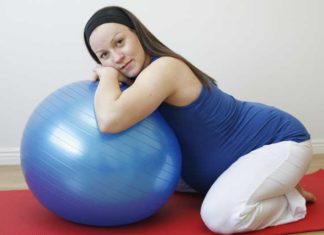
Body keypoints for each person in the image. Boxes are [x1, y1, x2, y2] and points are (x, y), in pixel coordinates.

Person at [83, 6, 316, 234]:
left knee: (220, 218)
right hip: (225, 162)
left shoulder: (164, 68)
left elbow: (109, 120)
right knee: (158, 184)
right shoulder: (137, 82)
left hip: (278, 141)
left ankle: (289, 199)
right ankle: (274, 184)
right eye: (104, 55)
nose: (117, 57)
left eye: (119, 42)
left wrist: (108, 74)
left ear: (137, 32)